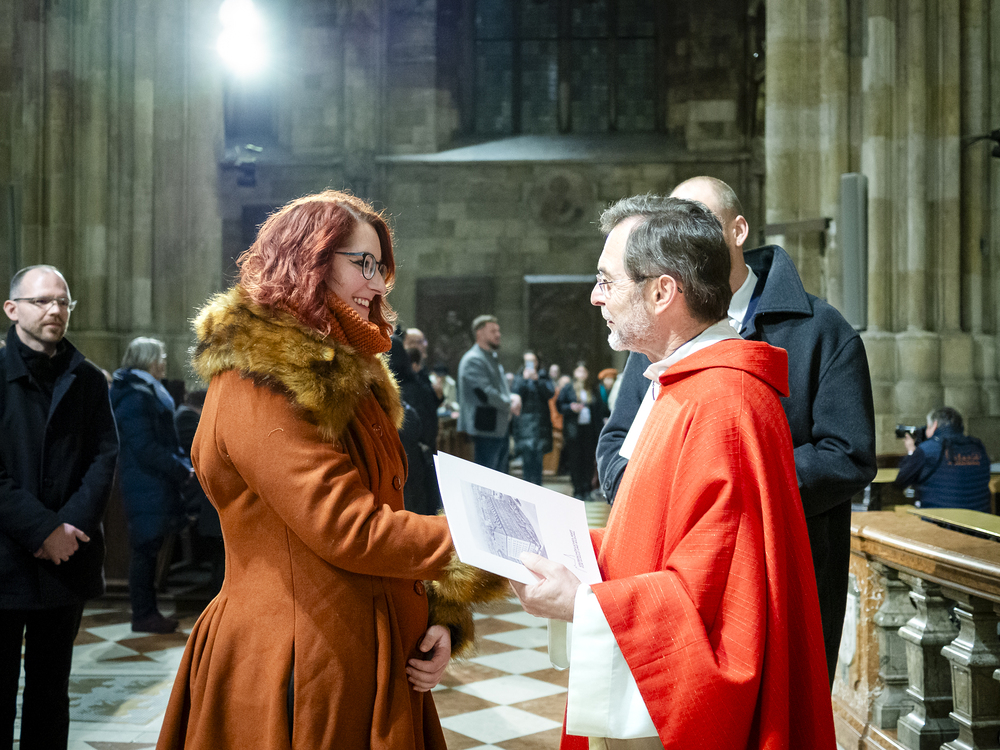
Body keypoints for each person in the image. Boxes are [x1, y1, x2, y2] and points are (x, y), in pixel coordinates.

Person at [157, 190, 505, 750]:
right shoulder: (260, 380)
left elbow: (390, 510)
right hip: (298, 660)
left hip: (366, 649)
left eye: (380, 267)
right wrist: (494, 533)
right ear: (308, 261)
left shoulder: (351, 376)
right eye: (363, 264)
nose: (378, 285)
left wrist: (437, 614)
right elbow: (348, 527)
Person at [512, 196, 836, 750]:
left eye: (606, 280)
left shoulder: (724, 404)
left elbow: (717, 603)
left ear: (662, 292)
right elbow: (663, 539)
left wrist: (583, 604)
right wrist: (573, 549)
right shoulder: (685, 386)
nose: (595, 296)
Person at [597, 178, 877, 685]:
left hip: (784, 563)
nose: (682, 233)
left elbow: (847, 454)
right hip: (673, 567)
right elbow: (620, 441)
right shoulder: (658, 333)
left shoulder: (818, 330)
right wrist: (654, 500)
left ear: (737, 230)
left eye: (698, 221)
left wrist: (738, 494)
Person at [0, 265, 119, 750]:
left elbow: (103, 456)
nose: (55, 310)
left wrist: (69, 526)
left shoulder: (87, 378)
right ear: (12, 309)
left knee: (51, 693)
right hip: (5, 557)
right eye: (43, 301)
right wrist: (43, 530)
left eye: (63, 302)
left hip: (66, 559)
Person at [111, 337, 192, 634]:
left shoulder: (144, 390)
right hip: (145, 482)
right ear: (147, 360)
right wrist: (180, 469)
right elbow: (144, 446)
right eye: (160, 356)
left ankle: (148, 611)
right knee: (144, 550)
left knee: (149, 548)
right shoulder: (135, 395)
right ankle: (144, 614)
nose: (164, 362)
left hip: (153, 482)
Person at [174, 389, 224, 597]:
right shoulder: (190, 419)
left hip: (212, 507)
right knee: (221, 566)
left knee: (221, 564)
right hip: (209, 506)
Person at [894, 407, 992, 513]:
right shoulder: (978, 446)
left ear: (934, 425)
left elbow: (900, 482)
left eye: (928, 426)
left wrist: (911, 451)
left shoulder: (927, 449)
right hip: (980, 518)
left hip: (940, 519)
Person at [457, 315, 521, 472]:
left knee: (499, 477)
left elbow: (500, 388)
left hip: (497, 427)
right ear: (479, 333)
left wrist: (512, 396)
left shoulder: (490, 357)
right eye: (493, 331)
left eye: (498, 331)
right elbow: (486, 393)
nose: (498, 334)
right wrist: (509, 404)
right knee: (486, 477)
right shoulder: (473, 359)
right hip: (485, 429)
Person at [558, 364, 607, 499]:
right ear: (574, 372)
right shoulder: (568, 388)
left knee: (588, 460)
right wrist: (571, 407)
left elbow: (600, 408)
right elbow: (559, 405)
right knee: (575, 460)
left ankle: (587, 489)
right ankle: (577, 490)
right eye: (579, 371)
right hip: (574, 430)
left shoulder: (592, 389)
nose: (581, 374)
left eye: (584, 371)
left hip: (589, 430)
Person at [511, 352, 555, 485]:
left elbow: (550, 393)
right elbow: (515, 393)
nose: (530, 364)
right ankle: (527, 490)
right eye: (527, 361)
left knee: (538, 462)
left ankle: (538, 489)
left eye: (533, 361)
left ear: (537, 362)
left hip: (541, 424)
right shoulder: (519, 376)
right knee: (527, 461)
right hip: (524, 425)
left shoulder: (543, 376)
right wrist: (525, 380)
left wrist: (537, 380)